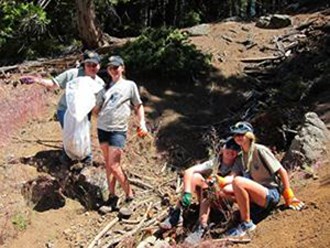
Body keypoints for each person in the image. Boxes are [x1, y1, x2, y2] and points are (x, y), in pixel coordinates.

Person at [20, 50, 105, 166]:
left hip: (84, 113)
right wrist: (37, 80)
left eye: (94, 65)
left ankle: (86, 157)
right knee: (69, 133)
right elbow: (53, 83)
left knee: (83, 133)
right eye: (88, 64)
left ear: (99, 65)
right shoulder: (73, 74)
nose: (91, 67)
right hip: (65, 110)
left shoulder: (100, 83)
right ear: (83, 65)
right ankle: (68, 156)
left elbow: (98, 104)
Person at [226, 121, 305, 237]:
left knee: (238, 181)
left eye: (241, 134)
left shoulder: (260, 150)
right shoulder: (240, 157)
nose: (238, 137)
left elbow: (282, 171)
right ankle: (250, 214)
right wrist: (216, 180)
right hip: (257, 196)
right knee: (224, 191)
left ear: (249, 135)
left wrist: (289, 195)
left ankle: (247, 224)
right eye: (236, 135)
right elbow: (230, 177)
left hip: (270, 193)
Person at [93, 55, 148, 208]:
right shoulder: (104, 88)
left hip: (118, 130)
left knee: (115, 165)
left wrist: (142, 123)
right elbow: (96, 110)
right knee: (108, 164)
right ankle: (112, 196)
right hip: (102, 127)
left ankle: (129, 195)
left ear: (122, 68)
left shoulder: (130, 85)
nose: (113, 70)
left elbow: (138, 105)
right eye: (110, 68)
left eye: (116, 67)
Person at [159, 137, 241, 236]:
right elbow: (189, 171)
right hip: (209, 196)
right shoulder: (215, 162)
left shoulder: (238, 163)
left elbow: (232, 178)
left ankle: (202, 225)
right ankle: (177, 212)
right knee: (195, 177)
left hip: (222, 202)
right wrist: (187, 193)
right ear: (223, 148)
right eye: (229, 146)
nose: (231, 150)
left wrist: (218, 180)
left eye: (235, 148)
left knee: (210, 187)